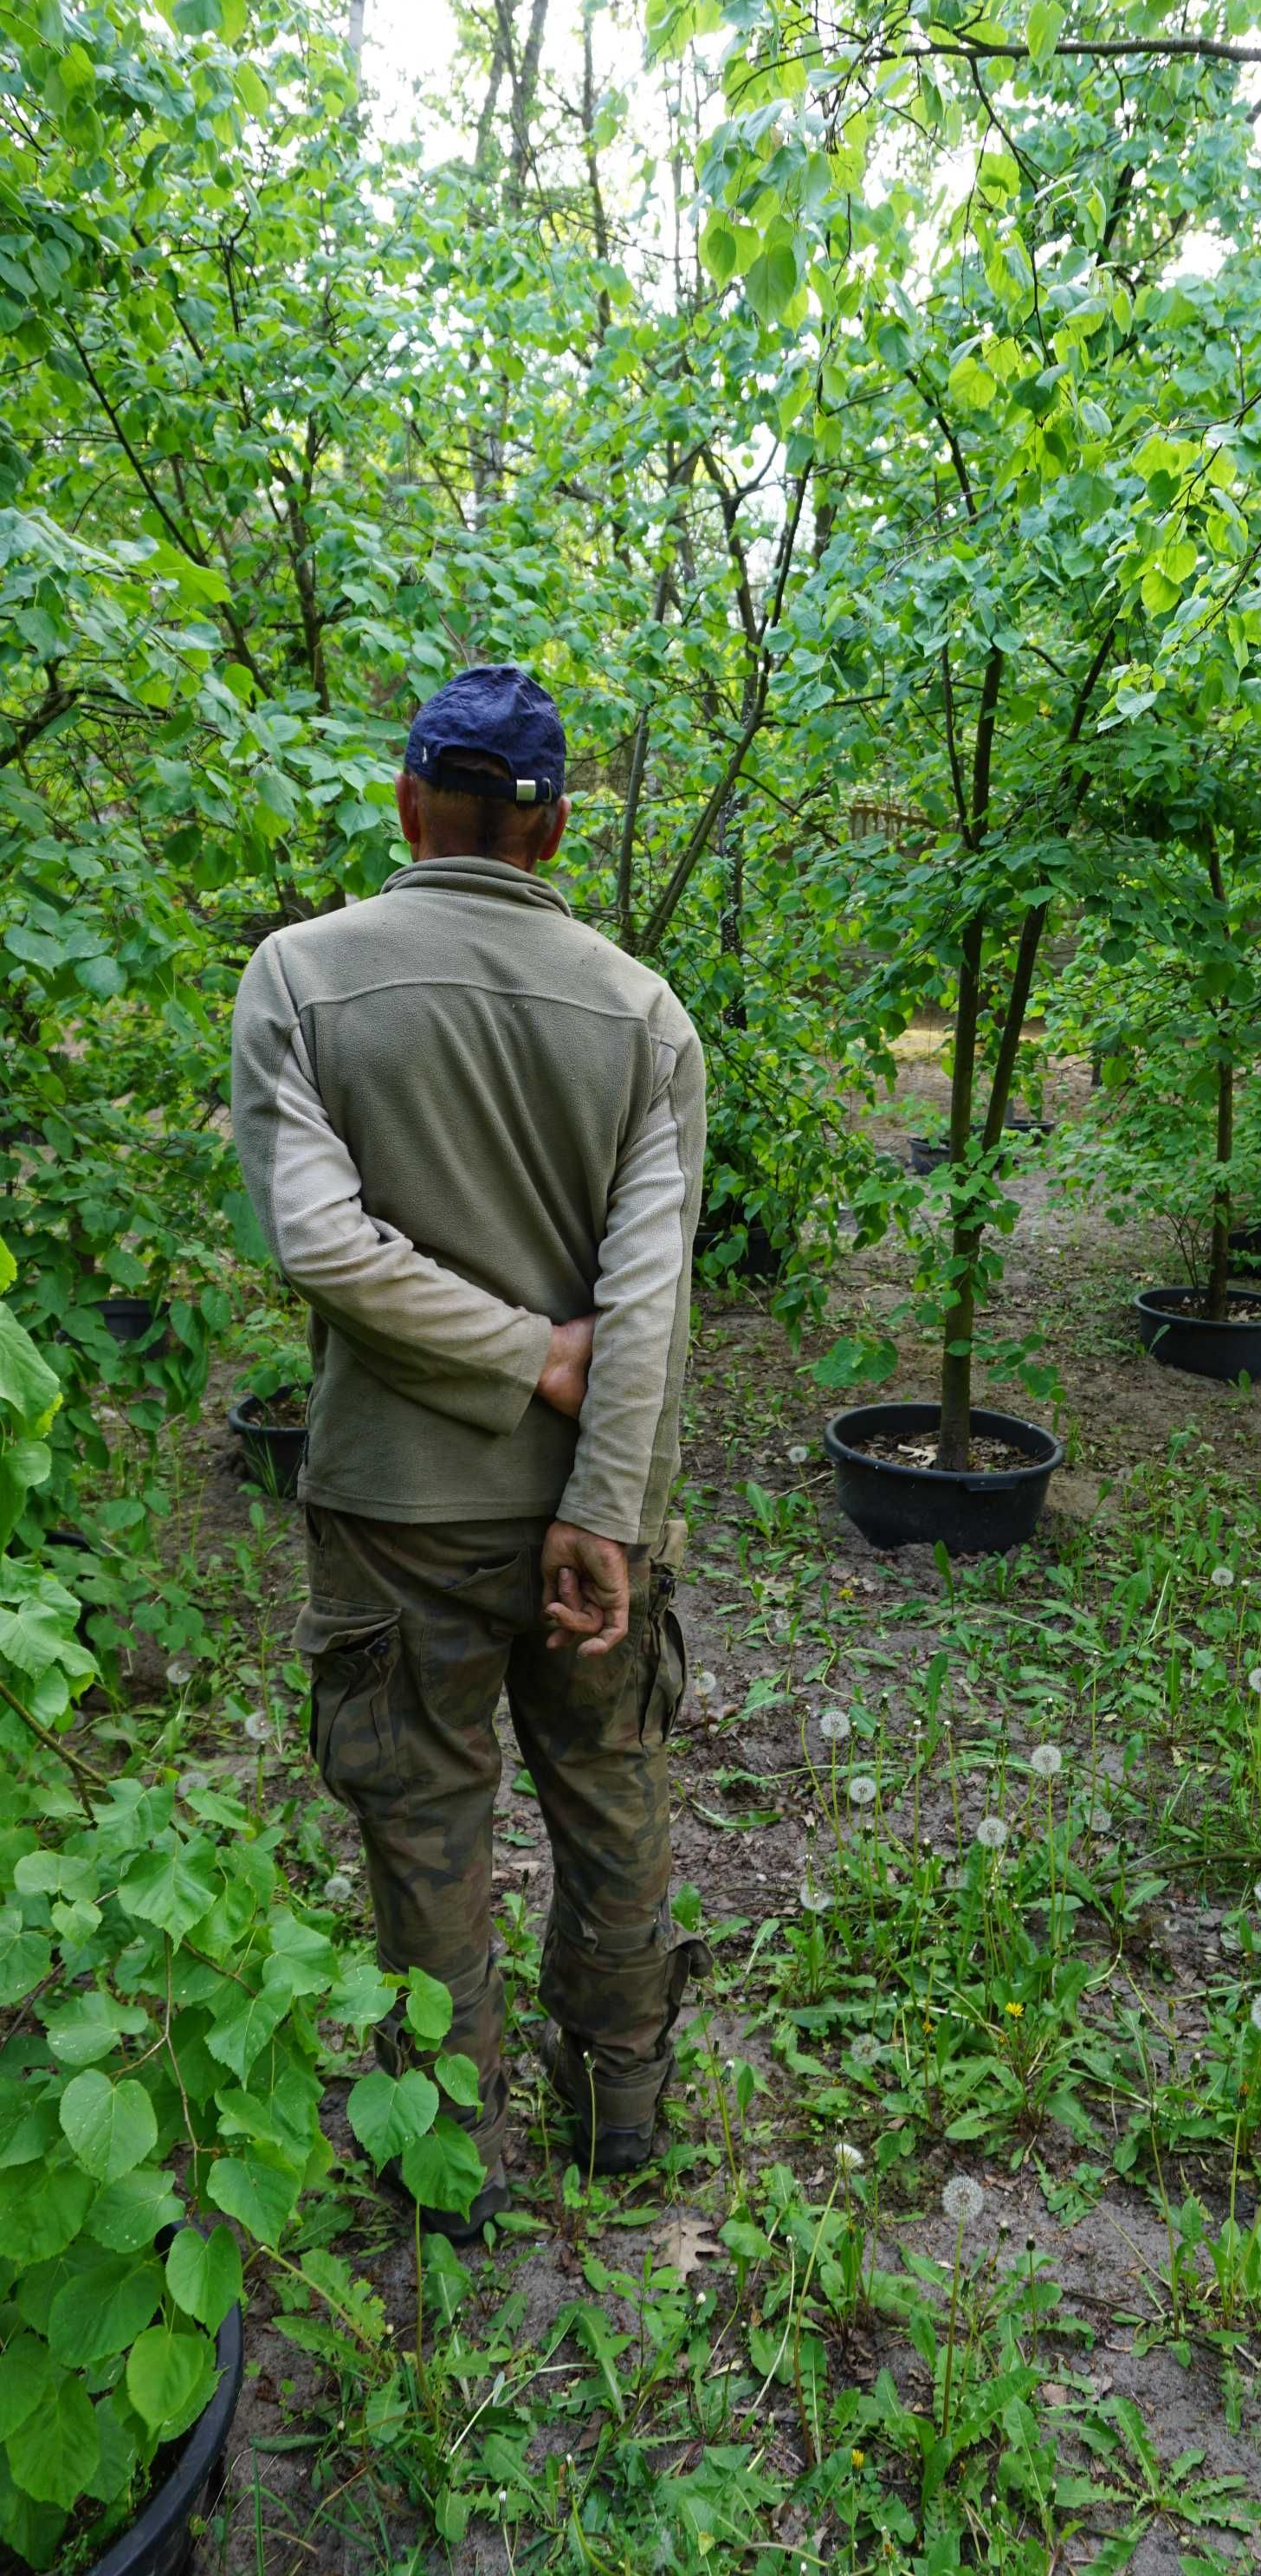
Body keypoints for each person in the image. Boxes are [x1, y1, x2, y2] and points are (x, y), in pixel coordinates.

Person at [230, 663, 708, 2238]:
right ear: (557, 826)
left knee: (423, 1813)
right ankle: (619, 2108)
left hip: (392, 1509)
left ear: (405, 801)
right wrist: (607, 1507)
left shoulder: (300, 979)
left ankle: (452, 2164)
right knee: (610, 1781)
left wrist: (514, 1357)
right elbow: (648, 1294)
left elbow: (321, 1245)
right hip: (597, 1505)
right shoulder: (643, 1014)